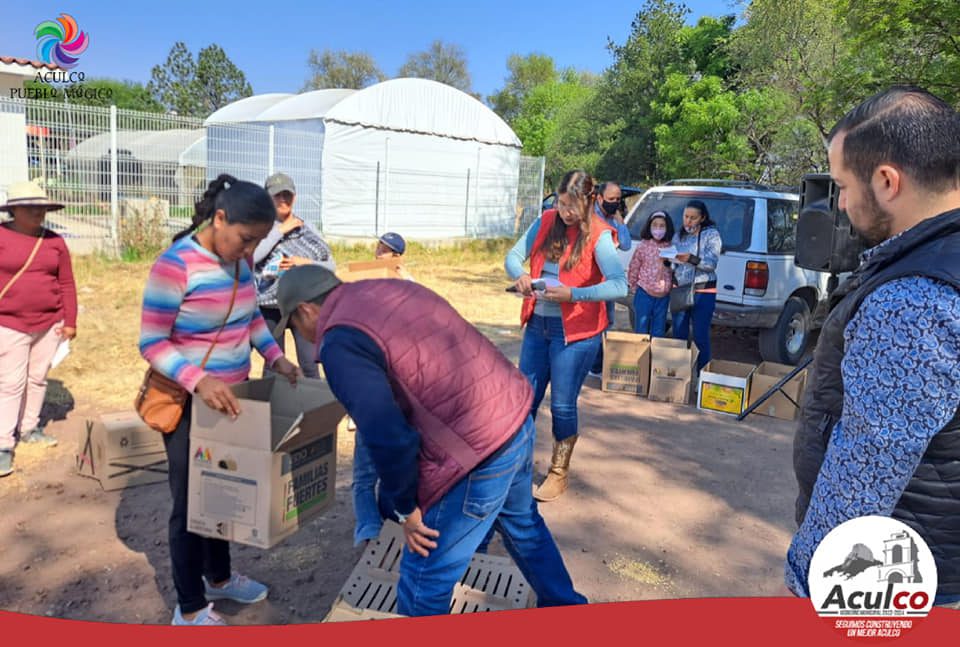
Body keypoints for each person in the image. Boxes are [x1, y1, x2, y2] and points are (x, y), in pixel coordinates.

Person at [273, 264, 588, 617]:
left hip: (476, 450)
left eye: (295, 327)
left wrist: (404, 507)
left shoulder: (339, 340)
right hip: (514, 416)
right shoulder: (383, 289)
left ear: (305, 309)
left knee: (423, 586)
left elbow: (386, 435)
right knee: (524, 529)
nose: (303, 337)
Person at [786, 86, 960, 608]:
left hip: (896, 580)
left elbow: (865, 475)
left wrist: (805, 582)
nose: (839, 202)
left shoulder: (911, 301)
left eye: (841, 185)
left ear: (886, 181)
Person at [139, 174, 300, 625]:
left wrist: (274, 357)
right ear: (221, 219)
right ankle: (189, 608)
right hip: (191, 402)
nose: (249, 252)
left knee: (224, 491)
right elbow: (151, 342)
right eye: (245, 240)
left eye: (257, 243)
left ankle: (221, 578)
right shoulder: (176, 265)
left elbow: (249, 321)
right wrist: (200, 381)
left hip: (235, 399)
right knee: (190, 504)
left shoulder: (240, 264)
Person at [505, 170, 628, 502]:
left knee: (561, 405)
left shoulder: (601, 235)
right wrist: (520, 277)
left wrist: (574, 294)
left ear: (590, 201)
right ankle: (515, 468)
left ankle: (559, 471)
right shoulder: (545, 221)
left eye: (572, 205)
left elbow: (619, 284)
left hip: (576, 333)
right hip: (537, 327)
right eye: (561, 203)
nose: (565, 212)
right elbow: (513, 257)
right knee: (523, 400)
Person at [0, 181, 77, 477]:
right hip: (9, 323)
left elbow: (66, 283)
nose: (38, 213)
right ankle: (4, 445)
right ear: (14, 210)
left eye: (42, 208)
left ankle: (29, 427)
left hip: (50, 324)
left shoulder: (55, 242)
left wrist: (70, 321)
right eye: (31, 208)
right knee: (10, 382)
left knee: (37, 378)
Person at [349, 231, 412, 546]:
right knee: (364, 472)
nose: (379, 254)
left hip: (392, 393)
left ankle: (389, 523)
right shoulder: (362, 284)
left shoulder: (409, 288)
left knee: (386, 464)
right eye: (379, 247)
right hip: (371, 389)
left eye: (387, 251)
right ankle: (368, 530)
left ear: (398, 257)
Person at [253, 172, 335, 380]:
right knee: (273, 364)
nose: (283, 200)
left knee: (310, 363)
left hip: (302, 306)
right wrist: (280, 230)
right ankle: (272, 410)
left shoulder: (307, 228)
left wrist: (306, 263)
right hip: (269, 307)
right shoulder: (259, 227)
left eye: (287, 195)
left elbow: (331, 265)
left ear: (294, 198)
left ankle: (315, 408)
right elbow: (252, 256)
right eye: (277, 195)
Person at [669, 199, 721, 371]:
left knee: (700, 336)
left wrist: (691, 259)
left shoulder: (711, 235)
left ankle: (702, 375)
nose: (688, 221)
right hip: (681, 289)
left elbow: (711, 264)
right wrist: (666, 261)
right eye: (685, 217)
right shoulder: (678, 235)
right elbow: (673, 262)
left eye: (693, 218)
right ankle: (678, 375)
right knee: (679, 334)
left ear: (702, 218)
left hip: (703, 291)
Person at [588, 181, 632, 377]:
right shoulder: (590, 218)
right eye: (611, 199)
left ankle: (598, 364)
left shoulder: (614, 219)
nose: (615, 203)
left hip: (609, 280)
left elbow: (625, 245)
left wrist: (620, 222)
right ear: (599, 198)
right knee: (592, 321)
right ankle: (593, 365)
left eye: (617, 199)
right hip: (591, 279)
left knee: (608, 321)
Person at [628, 211, 675, 337]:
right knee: (641, 328)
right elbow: (634, 267)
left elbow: (674, 269)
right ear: (649, 226)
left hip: (663, 295)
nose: (658, 229)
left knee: (658, 330)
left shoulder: (671, 247)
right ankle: (641, 355)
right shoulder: (643, 246)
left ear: (668, 228)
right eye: (655, 225)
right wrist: (633, 286)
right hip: (644, 292)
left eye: (662, 226)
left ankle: (654, 355)